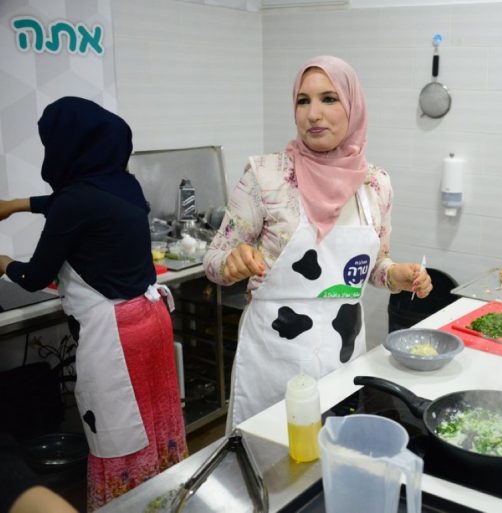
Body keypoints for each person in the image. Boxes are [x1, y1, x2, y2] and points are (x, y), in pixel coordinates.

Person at [204, 55, 433, 429]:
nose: (313, 114)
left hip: (342, 354)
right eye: (303, 101)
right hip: (273, 361)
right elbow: (214, 260)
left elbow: (374, 266)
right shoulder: (266, 177)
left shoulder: (375, 184)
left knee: (333, 452)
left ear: (353, 107)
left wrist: (396, 276)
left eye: (329, 99)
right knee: (270, 454)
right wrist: (231, 264)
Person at [0, 97, 187, 511]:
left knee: (120, 433)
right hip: (151, 320)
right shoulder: (122, 183)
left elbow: (33, 278)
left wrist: (3, 262)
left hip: (116, 336)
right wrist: (16, 205)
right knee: (154, 424)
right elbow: (69, 204)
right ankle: (166, 501)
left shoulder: (76, 201)